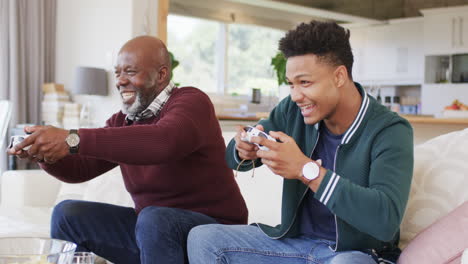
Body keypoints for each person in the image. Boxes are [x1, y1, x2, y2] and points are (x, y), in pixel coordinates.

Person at [187, 21, 413, 264]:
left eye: (305, 83)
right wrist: (243, 148)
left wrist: (306, 170)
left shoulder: (390, 130)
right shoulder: (292, 110)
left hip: (353, 254)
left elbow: (385, 220)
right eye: (291, 84)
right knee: (204, 238)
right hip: (295, 245)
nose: (295, 95)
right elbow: (235, 156)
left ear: (339, 76)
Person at [7, 36, 248, 264]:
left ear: (161, 74)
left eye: (131, 72)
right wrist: (43, 153)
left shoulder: (191, 102)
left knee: (155, 218)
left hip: (214, 232)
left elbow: (164, 142)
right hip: (155, 234)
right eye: (118, 73)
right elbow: (80, 168)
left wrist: (70, 138)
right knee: (68, 214)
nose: (121, 81)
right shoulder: (123, 120)